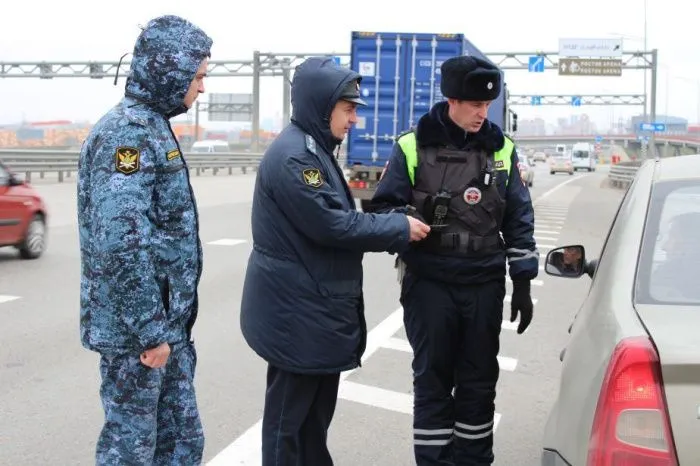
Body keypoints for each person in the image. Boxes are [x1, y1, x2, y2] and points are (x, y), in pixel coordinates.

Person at [239, 56, 431, 466]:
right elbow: (332, 226)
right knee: (288, 421)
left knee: (313, 417)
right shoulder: (295, 157)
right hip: (297, 313)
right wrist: (398, 228)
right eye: (348, 110)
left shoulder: (314, 150)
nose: (353, 120)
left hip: (311, 308)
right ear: (321, 106)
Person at [370, 55, 539, 465]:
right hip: (430, 284)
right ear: (452, 100)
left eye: (487, 105)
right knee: (432, 381)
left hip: (483, 284)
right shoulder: (412, 146)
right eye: (474, 104)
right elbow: (383, 208)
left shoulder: (502, 149)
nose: (483, 112)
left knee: (479, 383)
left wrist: (522, 282)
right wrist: (407, 220)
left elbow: (518, 217)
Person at [77, 15, 212, 465]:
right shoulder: (128, 134)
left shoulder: (152, 126)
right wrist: (150, 331)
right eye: (197, 77)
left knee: (179, 446)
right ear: (170, 72)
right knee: (133, 452)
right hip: (140, 337)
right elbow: (121, 242)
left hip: (162, 331)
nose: (201, 88)